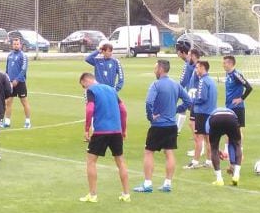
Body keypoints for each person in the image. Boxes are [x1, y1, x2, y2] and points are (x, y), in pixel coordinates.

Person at [134, 60, 191, 193]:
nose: (154, 70)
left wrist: (150, 117)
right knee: (169, 152)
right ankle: (167, 183)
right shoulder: (176, 85)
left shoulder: (156, 85)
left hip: (158, 125)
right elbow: (189, 101)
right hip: (172, 125)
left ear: (160, 68)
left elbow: (149, 102)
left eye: (155, 67)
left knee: (149, 152)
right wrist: (176, 109)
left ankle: (147, 184)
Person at [78, 72, 130, 203]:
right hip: (116, 131)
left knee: (91, 161)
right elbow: (123, 110)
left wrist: (86, 129)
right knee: (120, 162)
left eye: (83, 86)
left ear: (85, 81)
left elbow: (90, 109)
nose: (84, 89)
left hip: (101, 131)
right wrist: (123, 130)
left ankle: (93, 194)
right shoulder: (111, 89)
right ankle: (126, 194)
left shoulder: (91, 91)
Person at [184, 60, 217, 169]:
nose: (196, 70)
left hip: (202, 113)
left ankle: (195, 162)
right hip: (210, 112)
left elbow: (202, 98)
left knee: (199, 138)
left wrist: (192, 102)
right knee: (208, 139)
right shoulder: (211, 81)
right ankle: (209, 161)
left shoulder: (202, 81)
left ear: (202, 68)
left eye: (197, 67)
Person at [222, 55, 253, 171]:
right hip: (229, 107)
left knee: (238, 131)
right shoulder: (228, 74)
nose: (223, 64)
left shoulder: (236, 74)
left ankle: (240, 152)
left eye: (225, 63)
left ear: (230, 64)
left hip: (237, 108)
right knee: (228, 131)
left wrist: (241, 98)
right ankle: (231, 156)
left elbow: (249, 87)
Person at [206, 107, 243, 186]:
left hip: (216, 119)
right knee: (237, 144)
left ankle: (219, 179)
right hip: (231, 118)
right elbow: (236, 140)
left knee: (214, 148)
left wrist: (217, 150)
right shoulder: (232, 114)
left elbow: (209, 141)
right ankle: (236, 175)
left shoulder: (209, 118)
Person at [3, 37, 31, 129]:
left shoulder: (23, 56)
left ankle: (27, 121)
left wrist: (17, 80)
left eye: (17, 44)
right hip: (10, 83)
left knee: (24, 102)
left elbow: (23, 70)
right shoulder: (9, 55)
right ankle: (7, 122)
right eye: (14, 44)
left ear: (20, 45)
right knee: (8, 102)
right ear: (12, 45)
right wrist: (6, 79)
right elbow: (7, 69)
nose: (16, 45)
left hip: (20, 83)